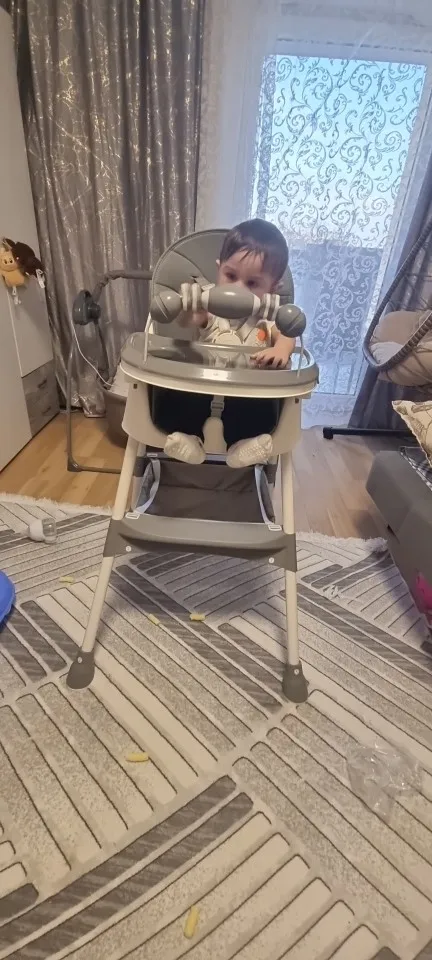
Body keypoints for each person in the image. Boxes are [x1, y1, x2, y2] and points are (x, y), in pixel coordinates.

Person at [154, 219, 296, 468]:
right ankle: (189, 439)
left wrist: (281, 349)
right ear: (219, 269)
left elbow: (286, 333)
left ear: (273, 288)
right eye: (230, 276)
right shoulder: (209, 302)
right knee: (179, 396)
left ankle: (242, 445)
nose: (238, 289)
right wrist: (191, 309)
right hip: (204, 382)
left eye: (252, 283)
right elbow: (189, 321)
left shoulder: (268, 314)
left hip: (246, 388)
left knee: (262, 406)